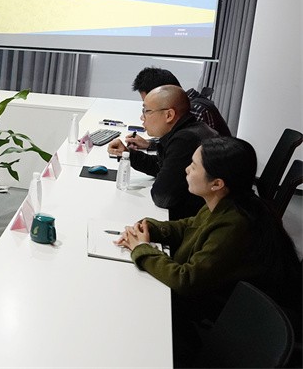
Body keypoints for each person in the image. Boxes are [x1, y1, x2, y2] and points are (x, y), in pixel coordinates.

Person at [116, 137, 301, 366]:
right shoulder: (226, 201)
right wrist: (150, 229)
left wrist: (142, 249)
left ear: (217, 183)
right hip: (220, 303)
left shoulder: (234, 224)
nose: (186, 169)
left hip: (231, 321)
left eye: (193, 166)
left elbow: (186, 280)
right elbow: (188, 226)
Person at [108, 85, 218, 220]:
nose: (142, 117)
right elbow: (163, 165)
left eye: (146, 111)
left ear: (169, 115)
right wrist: (128, 154)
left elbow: (163, 197)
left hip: (193, 222)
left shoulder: (185, 140)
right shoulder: (191, 129)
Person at [127, 67, 231, 151]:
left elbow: (183, 148)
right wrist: (150, 144)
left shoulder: (194, 111)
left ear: (163, 92)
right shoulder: (189, 101)